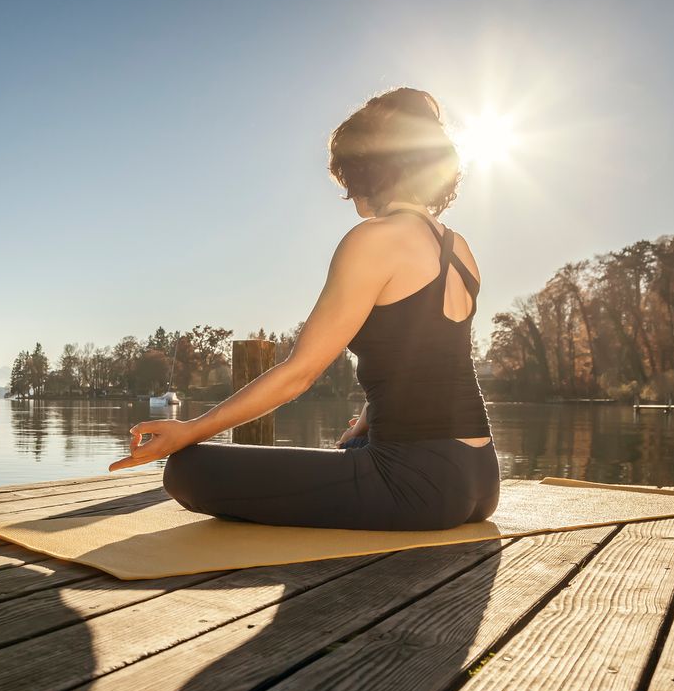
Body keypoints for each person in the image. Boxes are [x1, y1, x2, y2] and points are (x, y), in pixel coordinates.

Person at [108, 87, 499, 531]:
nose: (351, 199)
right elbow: (430, 352)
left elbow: (300, 374)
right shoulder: (458, 247)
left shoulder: (373, 239)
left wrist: (190, 429)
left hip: (417, 485)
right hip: (481, 477)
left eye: (349, 182)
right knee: (349, 452)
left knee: (187, 470)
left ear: (368, 170)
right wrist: (368, 421)